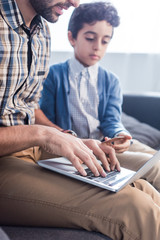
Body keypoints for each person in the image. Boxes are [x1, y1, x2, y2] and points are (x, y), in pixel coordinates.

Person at [0, 1, 160, 240]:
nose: (75, 2)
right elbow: (38, 124)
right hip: (7, 156)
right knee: (135, 206)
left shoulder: (41, 31)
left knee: (143, 188)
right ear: (73, 39)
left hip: (31, 148)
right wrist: (45, 134)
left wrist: (70, 139)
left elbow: (28, 106)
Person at [40, 1, 160, 192]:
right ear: (72, 38)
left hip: (104, 144)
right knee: (155, 169)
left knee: (154, 157)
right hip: (80, 149)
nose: (97, 47)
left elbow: (111, 120)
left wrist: (119, 134)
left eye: (105, 41)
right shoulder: (53, 76)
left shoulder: (111, 81)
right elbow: (43, 119)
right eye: (90, 38)